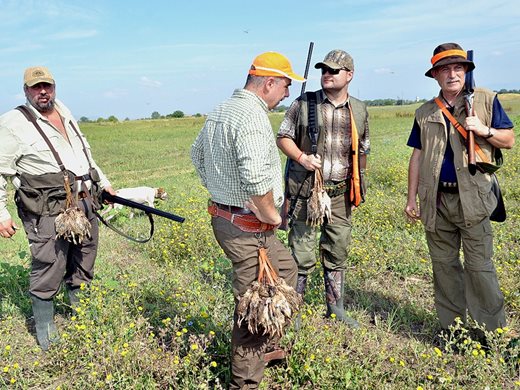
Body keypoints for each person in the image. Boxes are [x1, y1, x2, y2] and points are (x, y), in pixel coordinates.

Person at [191, 52, 302, 389]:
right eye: (285, 86)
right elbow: (255, 179)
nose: (287, 94)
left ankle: (269, 345)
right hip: (247, 227)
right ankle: (246, 382)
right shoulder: (252, 117)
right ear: (268, 82)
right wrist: (270, 215)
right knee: (254, 304)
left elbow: (196, 156)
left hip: (231, 220)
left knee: (286, 270)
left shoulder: (222, 110)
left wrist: (221, 190)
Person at [0, 66, 116, 350]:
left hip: (84, 200)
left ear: (54, 87)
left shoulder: (65, 111)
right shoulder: (12, 123)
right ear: (26, 90)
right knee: (49, 263)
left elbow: (85, 154)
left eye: (47, 86)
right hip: (46, 207)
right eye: (36, 87)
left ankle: (81, 315)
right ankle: (45, 328)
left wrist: (106, 184)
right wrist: (1, 214)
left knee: (84, 258)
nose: (43, 91)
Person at [404, 43, 515, 337]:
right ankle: (452, 330)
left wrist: (483, 130)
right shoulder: (425, 111)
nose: (452, 74)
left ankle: (490, 333)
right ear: (436, 76)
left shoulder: (487, 100)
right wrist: (410, 197)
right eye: (445, 69)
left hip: (474, 201)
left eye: (458, 68)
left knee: (480, 270)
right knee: (444, 268)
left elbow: (509, 140)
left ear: (465, 71)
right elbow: (417, 155)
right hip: (437, 202)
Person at [277, 49, 370, 328]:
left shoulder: (360, 109)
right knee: (301, 252)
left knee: (338, 248)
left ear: (349, 75)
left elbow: (363, 150)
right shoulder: (304, 103)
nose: (326, 75)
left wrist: (358, 184)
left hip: (341, 193)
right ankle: (294, 312)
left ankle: (335, 309)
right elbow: (283, 137)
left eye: (334, 70)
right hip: (307, 191)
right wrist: (302, 158)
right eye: (324, 70)